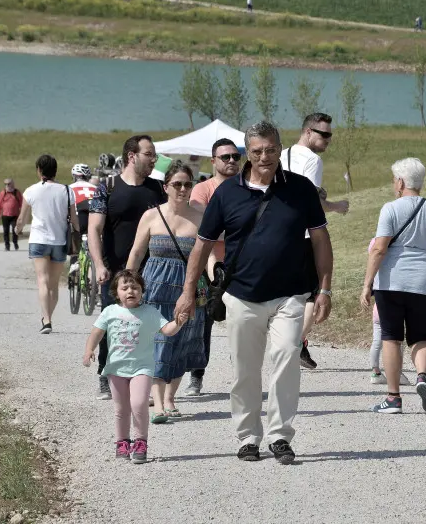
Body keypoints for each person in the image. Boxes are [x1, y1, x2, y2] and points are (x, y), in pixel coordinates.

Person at [175, 121, 333, 464]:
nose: (265, 157)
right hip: (242, 295)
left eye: (271, 150)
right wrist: (189, 291)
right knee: (245, 370)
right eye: (258, 151)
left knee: (286, 359)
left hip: (289, 294)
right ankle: (248, 436)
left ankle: (279, 436)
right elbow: (201, 247)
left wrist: (325, 289)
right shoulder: (227, 193)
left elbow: (320, 239)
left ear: (280, 148)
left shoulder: (301, 189)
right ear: (249, 152)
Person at [360, 158, 426, 414]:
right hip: (425, 280)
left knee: (391, 338)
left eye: (394, 180)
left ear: (400, 182)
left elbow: (379, 248)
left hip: (392, 281)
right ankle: (422, 376)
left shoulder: (390, 209)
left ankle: (393, 398)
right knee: (421, 336)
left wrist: (367, 283)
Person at [127, 162, 206, 423]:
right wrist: (127, 285)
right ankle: (159, 403)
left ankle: (171, 397)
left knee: (182, 343)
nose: (183, 189)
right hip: (155, 287)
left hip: (188, 287)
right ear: (166, 187)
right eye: (178, 184)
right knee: (157, 343)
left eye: (188, 184)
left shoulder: (201, 216)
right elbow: (137, 253)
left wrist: (218, 274)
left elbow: (208, 254)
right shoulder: (151, 216)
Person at [89, 135, 166, 400]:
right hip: (115, 272)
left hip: (153, 271)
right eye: (149, 154)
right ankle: (104, 372)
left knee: (151, 324)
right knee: (113, 324)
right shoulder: (107, 187)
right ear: (132, 156)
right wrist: (99, 265)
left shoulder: (158, 189)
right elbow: (94, 229)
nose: (154, 159)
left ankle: (148, 377)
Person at [82, 270, 188, 464]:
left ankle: (140, 442)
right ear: (116, 292)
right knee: (121, 409)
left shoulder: (150, 312)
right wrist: (89, 349)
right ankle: (122, 442)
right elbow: (97, 332)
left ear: (142, 291)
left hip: (142, 368)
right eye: (125, 288)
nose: (130, 291)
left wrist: (178, 322)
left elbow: (167, 330)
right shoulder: (110, 312)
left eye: (135, 288)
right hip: (116, 369)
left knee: (139, 404)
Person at [280, 112, 349, 370]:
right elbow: (310, 201)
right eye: (324, 134)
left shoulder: (282, 155)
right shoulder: (312, 161)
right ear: (308, 131)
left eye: (330, 134)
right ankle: (295, 344)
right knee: (312, 294)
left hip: (280, 233)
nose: (328, 139)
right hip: (304, 235)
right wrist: (336, 206)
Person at [185, 138, 241, 396]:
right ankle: (197, 375)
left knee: (244, 322)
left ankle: (242, 376)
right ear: (214, 161)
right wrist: (236, 232)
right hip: (212, 267)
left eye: (235, 157)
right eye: (225, 157)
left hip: (245, 265)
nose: (231, 161)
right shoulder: (203, 190)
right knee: (205, 321)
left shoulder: (248, 186)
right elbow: (203, 228)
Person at [15, 154, 79, 334]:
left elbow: (22, 218)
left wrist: (17, 229)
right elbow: (74, 220)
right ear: (55, 171)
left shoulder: (30, 191)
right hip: (59, 241)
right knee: (53, 283)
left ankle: (46, 319)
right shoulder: (67, 191)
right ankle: (48, 317)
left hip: (38, 240)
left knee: (42, 281)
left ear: (39, 170)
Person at [68, 163, 97, 274]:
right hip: (95, 218)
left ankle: (74, 260)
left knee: (71, 228)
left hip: (79, 219)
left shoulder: (69, 188)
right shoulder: (95, 188)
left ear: (74, 176)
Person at [0, 178, 23, 251]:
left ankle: (15, 242)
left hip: (15, 215)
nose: (7, 185)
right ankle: (7, 245)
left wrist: (22, 214)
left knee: (15, 230)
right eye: (5, 184)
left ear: (12, 184)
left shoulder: (17, 192)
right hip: (5, 215)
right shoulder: (3, 193)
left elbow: (21, 203)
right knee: (6, 231)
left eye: (8, 184)